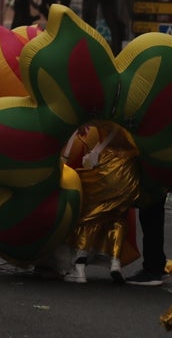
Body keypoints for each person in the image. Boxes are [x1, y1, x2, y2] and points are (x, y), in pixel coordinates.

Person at [62, 122, 141, 284]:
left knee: (88, 216)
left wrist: (94, 147)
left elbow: (111, 126)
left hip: (108, 166)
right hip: (129, 170)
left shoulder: (110, 107)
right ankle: (115, 262)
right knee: (118, 217)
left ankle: (79, 269)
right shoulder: (137, 109)